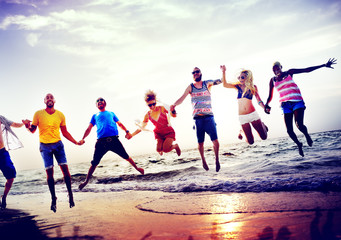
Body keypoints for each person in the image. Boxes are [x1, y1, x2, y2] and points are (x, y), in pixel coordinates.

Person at [265, 58, 337, 156]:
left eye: (277, 68)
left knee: (299, 125)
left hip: (297, 101)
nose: (276, 71)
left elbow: (306, 70)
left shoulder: (289, 73)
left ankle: (307, 135)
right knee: (289, 130)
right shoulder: (272, 80)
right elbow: (270, 95)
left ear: (281, 67)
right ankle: (299, 144)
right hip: (285, 105)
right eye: (274, 69)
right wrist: (266, 104)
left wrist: (323, 65)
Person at [23, 93, 80, 212]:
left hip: (58, 145)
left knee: (65, 170)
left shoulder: (60, 115)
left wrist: (75, 142)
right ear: (44, 101)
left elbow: (65, 132)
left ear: (54, 100)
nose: (49, 99)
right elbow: (32, 130)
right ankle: (53, 198)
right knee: (49, 173)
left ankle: (70, 194)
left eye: (51, 97)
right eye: (47, 97)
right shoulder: (38, 114)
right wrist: (27, 126)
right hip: (45, 146)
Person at [78, 97, 144, 190]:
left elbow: (120, 124)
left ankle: (137, 168)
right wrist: (83, 138)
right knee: (94, 163)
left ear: (105, 103)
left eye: (101, 100)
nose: (99, 102)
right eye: (97, 101)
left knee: (126, 156)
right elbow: (89, 128)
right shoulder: (95, 116)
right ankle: (86, 181)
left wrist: (127, 131)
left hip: (114, 140)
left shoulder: (111, 113)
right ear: (96, 105)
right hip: (101, 142)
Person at [170, 66, 223, 172]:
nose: (195, 73)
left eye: (197, 71)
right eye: (193, 72)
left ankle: (217, 159)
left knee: (215, 141)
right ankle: (203, 160)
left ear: (200, 73)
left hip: (209, 117)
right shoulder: (190, 87)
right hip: (197, 119)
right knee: (200, 143)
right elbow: (183, 97)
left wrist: (223, 72)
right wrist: (174, 105)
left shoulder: (207, 83)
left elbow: (220, 81)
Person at [221, 65, 268, 144]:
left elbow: (259, 100)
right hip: (242, 117)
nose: (240, 79)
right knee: (250, 142)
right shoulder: (237, 86)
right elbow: (225, 84)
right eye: (239, 77)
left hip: (253, 114)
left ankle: (262, 124)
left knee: (264, 137)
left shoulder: (253, 87)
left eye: (242, 77)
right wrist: (223, 72)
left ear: (247, 77)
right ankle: (242, 131)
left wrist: (264, 108)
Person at [128, 90, 181, 156]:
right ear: (147, 105)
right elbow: (142, 127)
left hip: (168, 131)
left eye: (154, 104)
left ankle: (175, 146)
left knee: (166, 149)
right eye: (150, 105)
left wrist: (173, 111)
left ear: (156, 102)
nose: (152, 106)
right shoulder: (147, 114)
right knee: (158, 150)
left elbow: (174, 116)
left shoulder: (162, 108)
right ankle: (161, 146)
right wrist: (132, 135)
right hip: (159, 133)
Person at [0, 115, 24, 209]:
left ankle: (4, 197)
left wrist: (23, 123)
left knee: (11, 177)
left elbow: (15, 124)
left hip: (2, 152)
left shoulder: (1, 118)